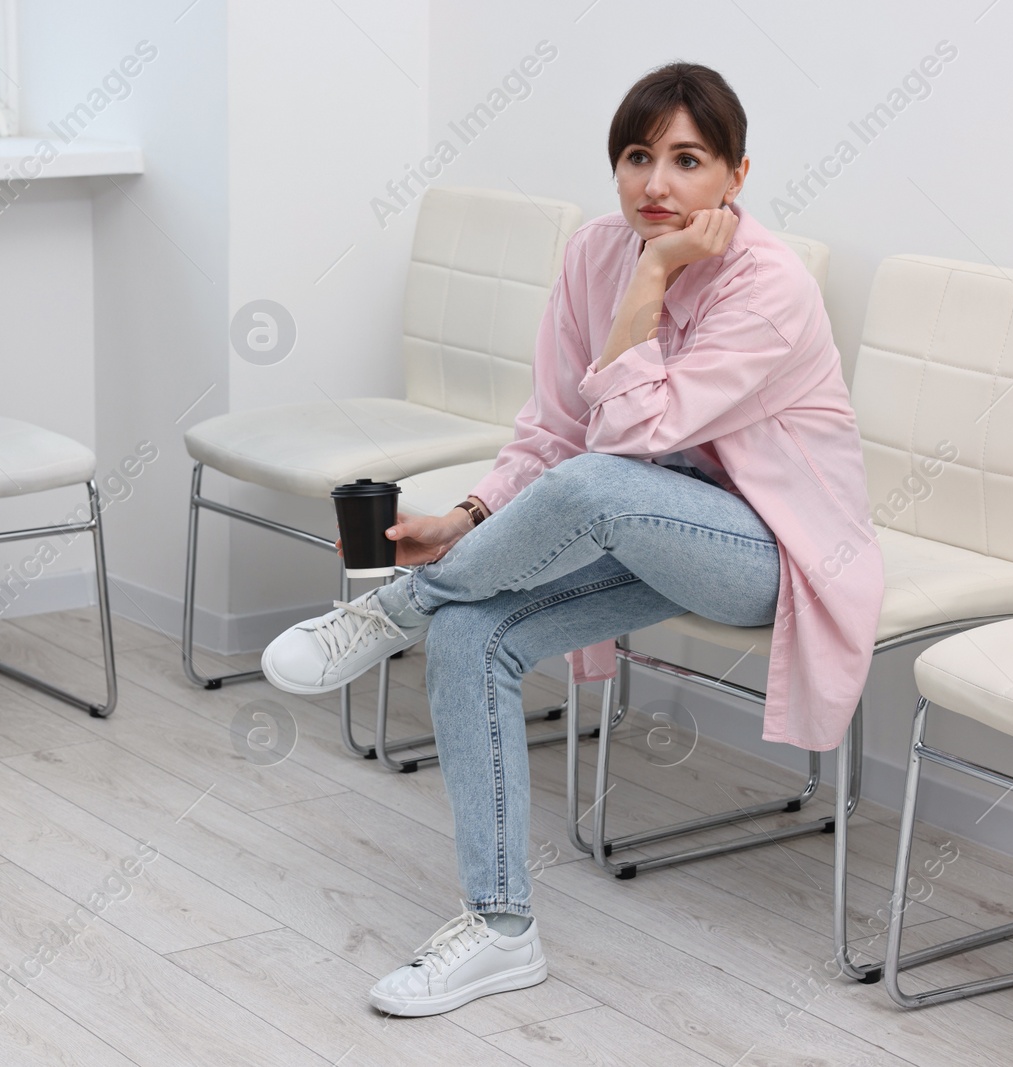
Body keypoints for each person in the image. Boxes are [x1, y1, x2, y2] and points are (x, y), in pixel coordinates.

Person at [261, 61, 884, 1017]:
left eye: (687, 160)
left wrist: (659, 271)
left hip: (771, 551)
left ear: (737, 176)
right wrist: (466, 518)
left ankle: (395, 607)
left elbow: (624, 441)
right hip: (641, 522)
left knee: (591, 487)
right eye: (638, 157)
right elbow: (553, 429)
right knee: (476, 635)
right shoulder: (595, 251)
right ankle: (501, 928)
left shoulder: (769, 286)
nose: (656, 185)